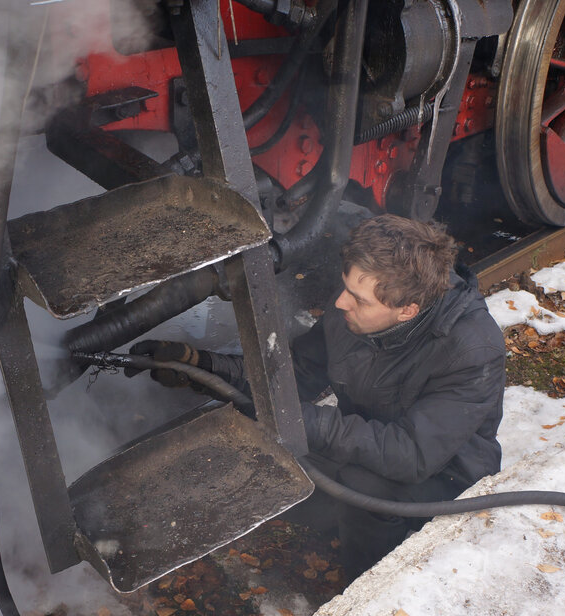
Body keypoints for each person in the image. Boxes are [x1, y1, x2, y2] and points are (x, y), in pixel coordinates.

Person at [130, 214, 506, 578]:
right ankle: (340, 519)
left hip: (447, 477)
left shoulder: (471, 349)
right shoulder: (355, 311)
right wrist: (201, 367)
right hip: (369, 440)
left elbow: (411, 454)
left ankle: (362, 595)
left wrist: (302, 421)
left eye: (358, 299)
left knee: (364, 485)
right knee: (266, 452)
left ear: (406, 310)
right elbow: (296, 374)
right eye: (345, 288)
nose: (341, 302)